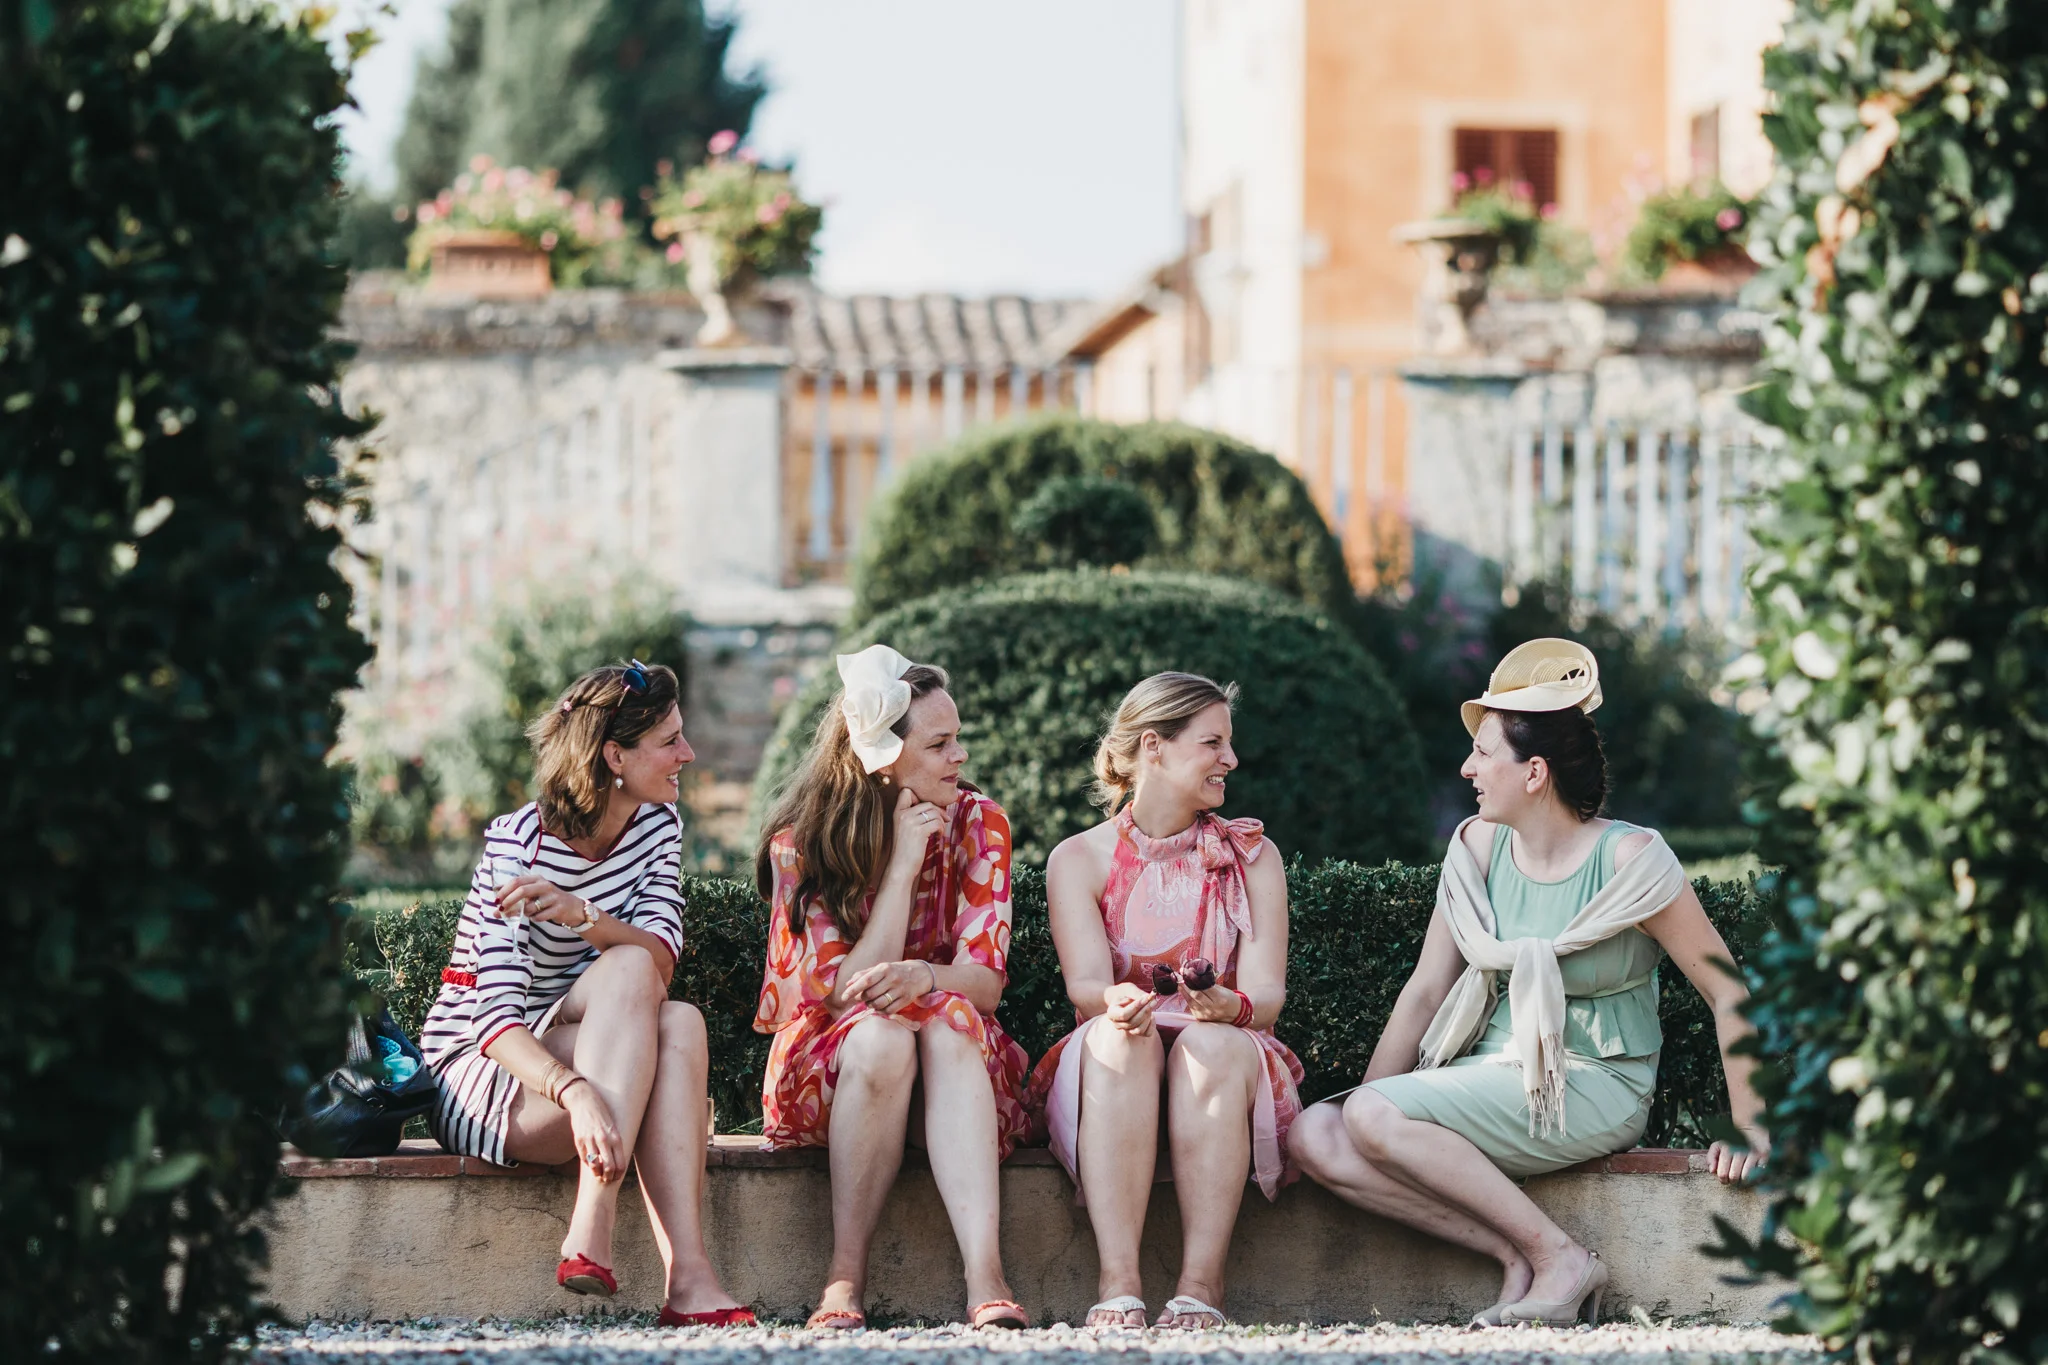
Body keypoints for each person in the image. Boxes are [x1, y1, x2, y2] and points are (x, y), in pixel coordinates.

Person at [1289, 639, 1769, 1328]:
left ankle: (1563, 1259)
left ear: (1534, 770)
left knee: (1368, 1115)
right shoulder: (1476, 849)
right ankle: (1519, 1255)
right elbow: (1426, 991)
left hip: (1597, 1081)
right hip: (1490, 1072)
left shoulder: (1632, 859)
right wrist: (1373, 1116)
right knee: (1317, 1133)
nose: (1467, 768)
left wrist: (1752, 1129)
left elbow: (1727, 989)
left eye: (1483, 753)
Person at [418, 660, 753, 1327]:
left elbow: (659, 962)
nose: (687, 753)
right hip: (486, 1076)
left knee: (676, 1015)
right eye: (670, 740)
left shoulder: (658, 824)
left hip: (594, 1046)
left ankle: (688, 1278)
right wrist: (574, 1090)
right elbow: (494, 1024)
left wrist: (582, 916)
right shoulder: (521, 845)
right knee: (633, 974)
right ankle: (593, 1220)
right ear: (615, 755)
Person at [752, 645, 1033, 1331]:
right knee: (881, 1034)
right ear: (882, 755)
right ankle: (844, 1277)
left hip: (952, 1072)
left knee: (948, 1018)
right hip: (837, 1071)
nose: (958, 756)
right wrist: (904, 867)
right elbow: (840, 992)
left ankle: (986, 1276)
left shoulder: (979, 823)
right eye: (939, 743)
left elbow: (985, 983)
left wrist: (924, 976)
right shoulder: (802, 844)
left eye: (956, 737)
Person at [1027, 672, 1303, 1330]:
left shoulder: (1254, 856)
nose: (1230, 761)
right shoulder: (1078, 858)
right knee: (1121, 1033)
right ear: (1154, 746)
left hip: (1225, 1047)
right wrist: (1117, 998)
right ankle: (1117, 1281)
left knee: (1210, 1043)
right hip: (1118, 1055)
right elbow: (1084, 987)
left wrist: (1228, 1007)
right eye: (1213, 743)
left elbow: (1266, 995)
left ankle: (1201, 1286)